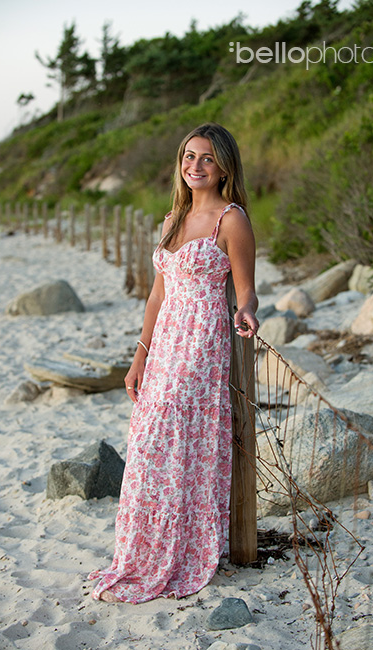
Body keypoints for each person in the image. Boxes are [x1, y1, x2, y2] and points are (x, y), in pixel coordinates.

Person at [88, 122, 258, 604]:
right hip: (164, 343)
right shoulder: (171, 221)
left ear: (223, 166)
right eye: (189, 156)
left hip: (202, 344)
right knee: (148, 445)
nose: (195, 165)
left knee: (175, 439)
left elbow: (246, 289)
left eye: (207, 158)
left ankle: (179, 553)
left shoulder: (232, 220)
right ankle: (141, 554)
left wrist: (246, 311)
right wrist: (138, 358)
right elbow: (157, 296)